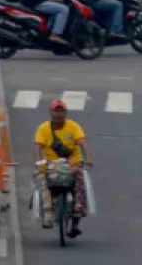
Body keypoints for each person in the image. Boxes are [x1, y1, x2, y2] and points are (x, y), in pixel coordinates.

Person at [34, 99, 93, 237]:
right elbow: (38, 146)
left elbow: (82, 143)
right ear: (51, 112)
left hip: (73, 163)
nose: (58, 114)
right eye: (56, 111)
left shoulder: (73, 126)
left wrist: (88, 158)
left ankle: (76, 219)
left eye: (61, 111)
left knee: (79, 181)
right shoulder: (43, 128)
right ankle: (47, 216)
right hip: (52, 165)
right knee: (42, 181)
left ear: (66, 113)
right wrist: (38, 163)